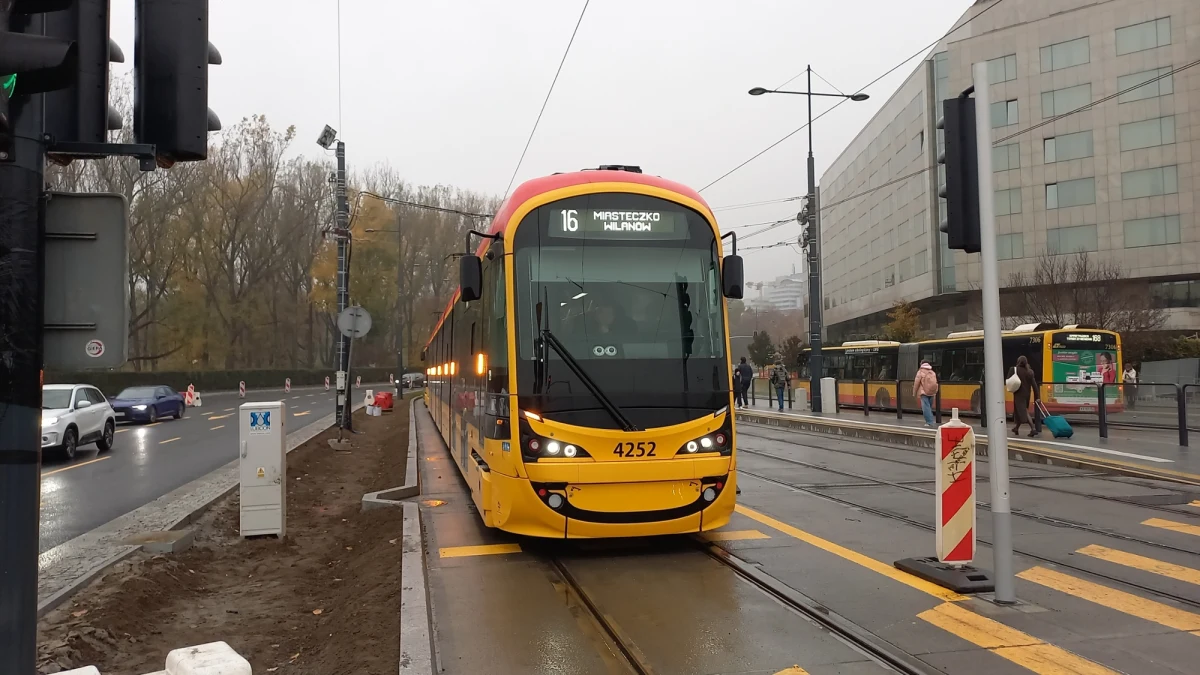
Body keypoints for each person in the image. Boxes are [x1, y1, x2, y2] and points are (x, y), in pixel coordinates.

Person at [1011, 355, 1040, 437]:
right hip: (1027, 394)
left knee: (1024, 411)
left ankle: (1033, 429)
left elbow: (1009, 380)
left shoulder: (1015, 370)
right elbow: (1034, 385)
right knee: (1019, 411)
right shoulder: (1029, 372)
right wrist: (1037, 397)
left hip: (1018, 394)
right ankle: (1016, 428)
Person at [912, 360, 939, 427]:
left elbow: (916, 383)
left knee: (926, 408)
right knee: (929, 407)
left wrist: (914, 392)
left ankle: (929, 422)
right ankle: (931, 421)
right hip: (932, 392)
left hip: (923, 392)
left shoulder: (920, 372)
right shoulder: (932, 372)